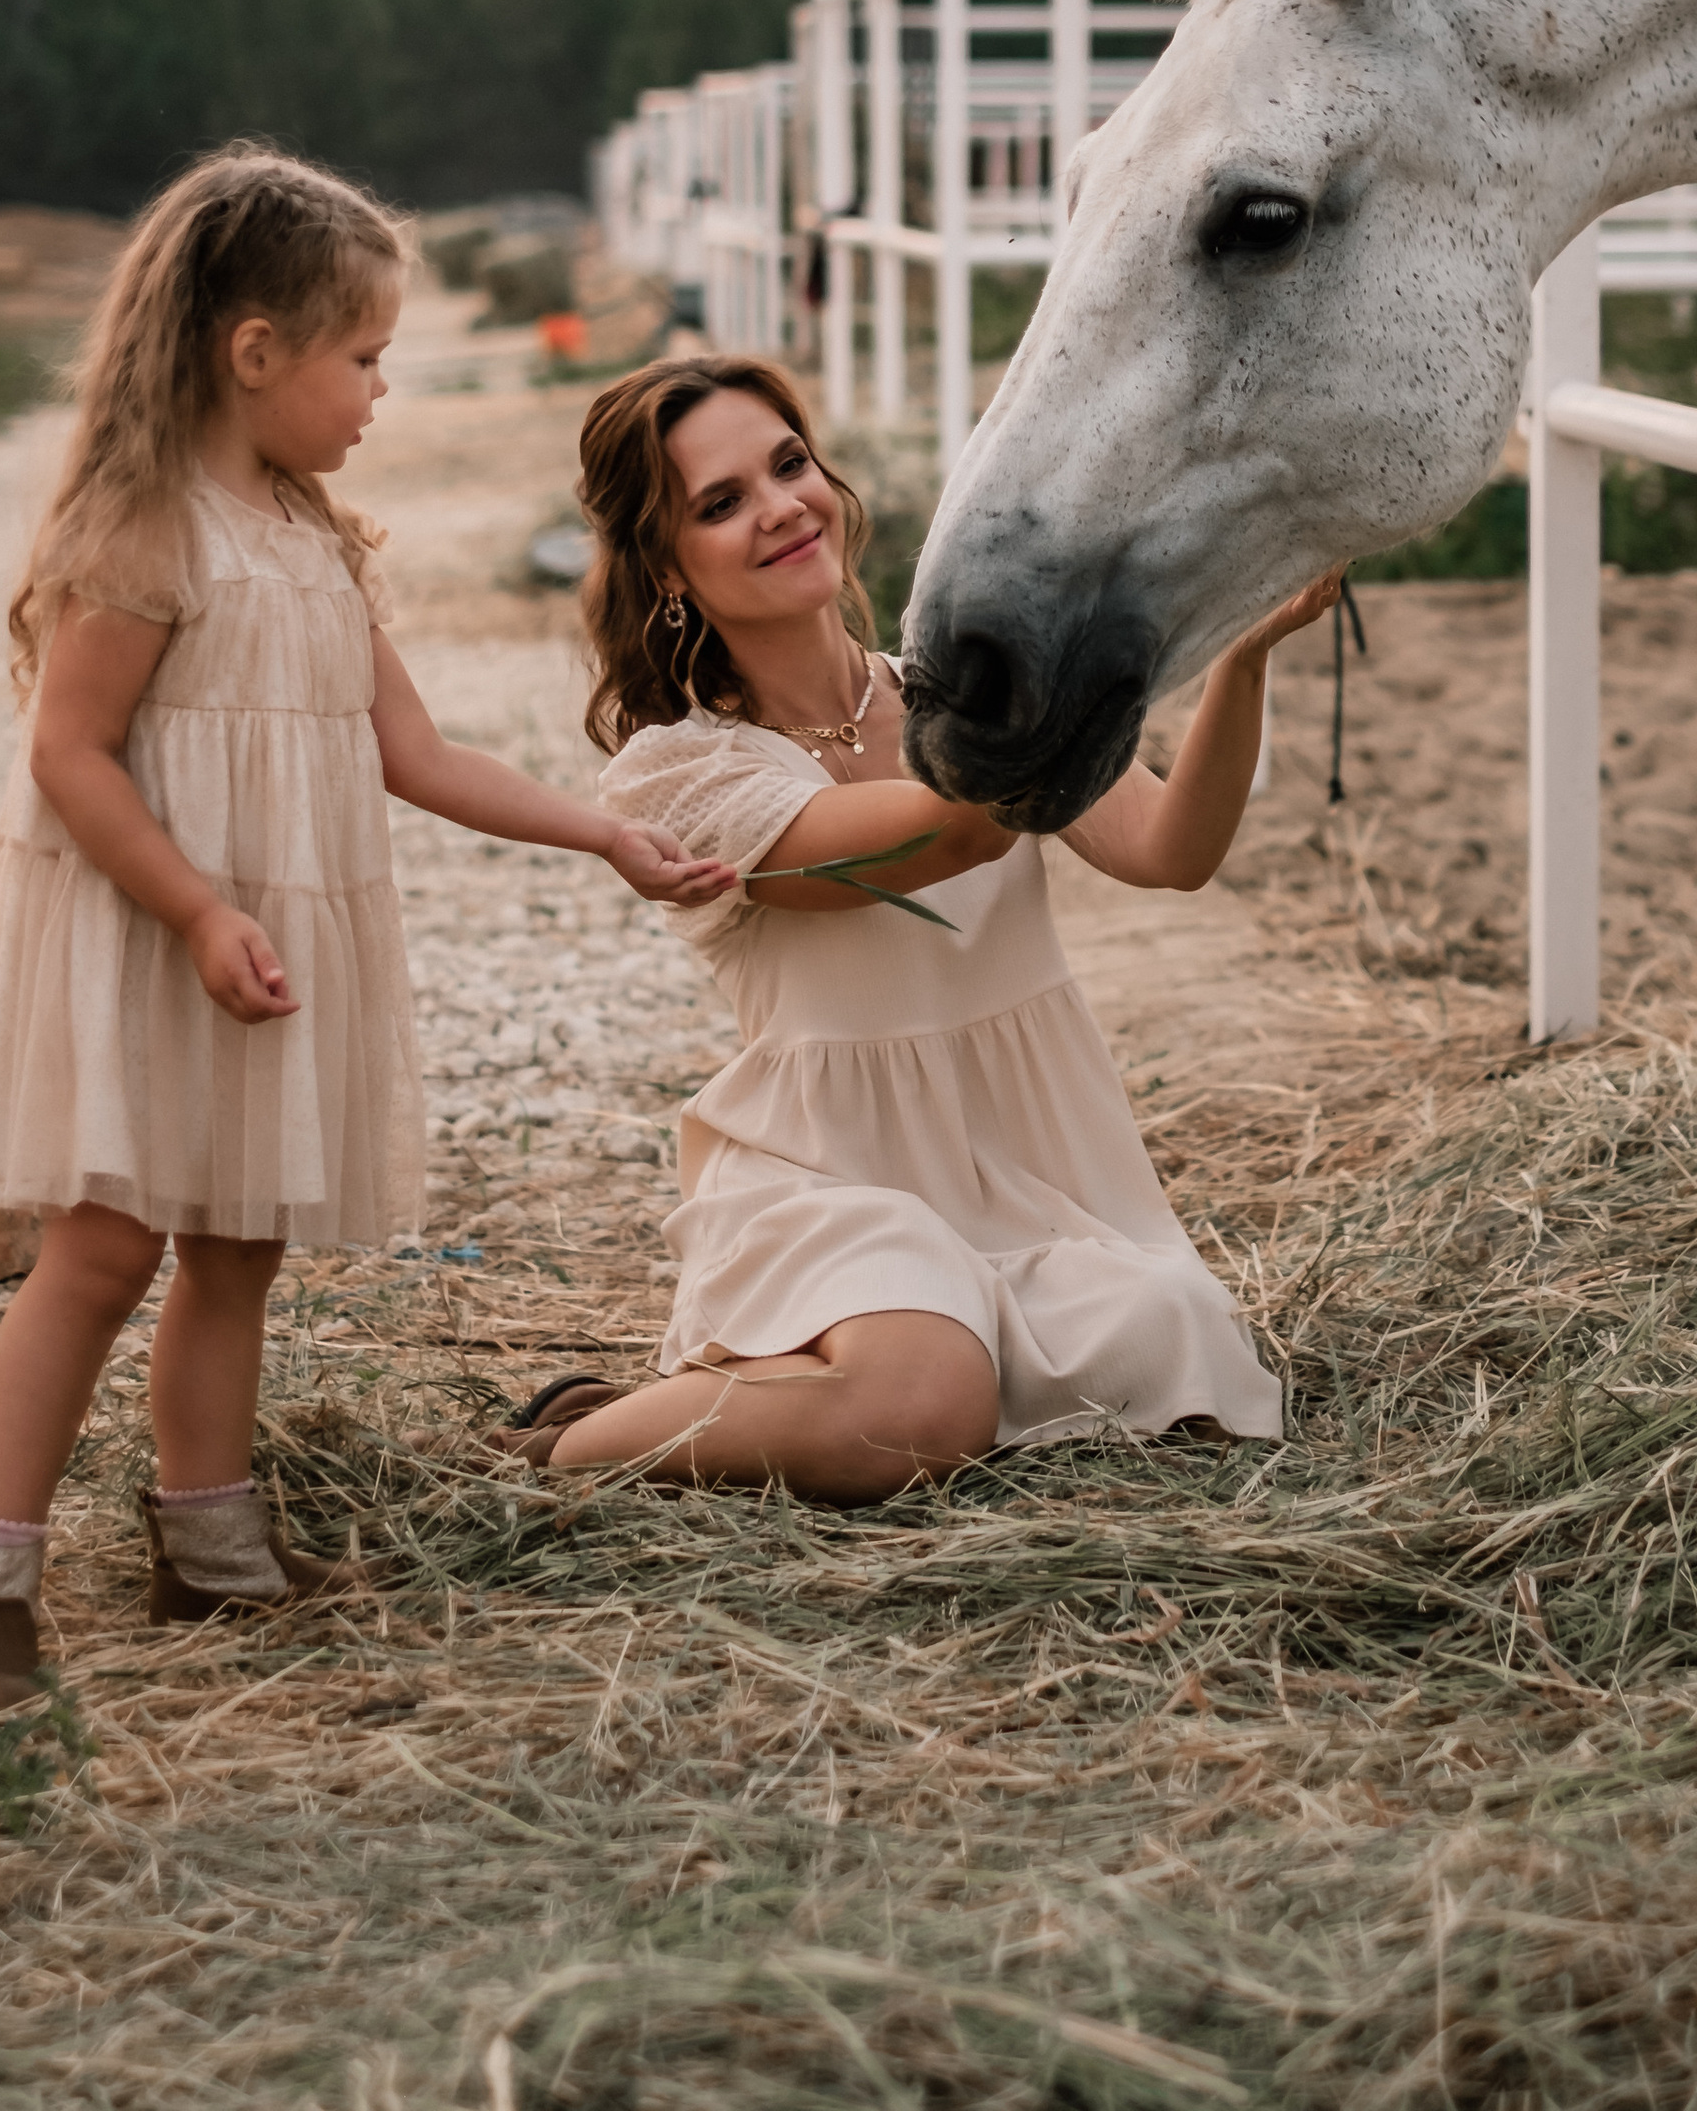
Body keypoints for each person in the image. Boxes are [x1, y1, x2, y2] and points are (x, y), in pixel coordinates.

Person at [0, 146, 738, 1718]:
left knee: (240, 1246)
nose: (379, 391)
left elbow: (414, 753)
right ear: (254, 352)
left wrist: (608, 832)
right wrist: (198, 907)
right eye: (362, 357)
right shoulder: (145, 530)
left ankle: (207, 1548)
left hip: (261, 946)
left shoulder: (310, 534)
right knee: (100, 1252)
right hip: (154, 931)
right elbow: (68, 755)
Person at [498, 352, 1340, 1498]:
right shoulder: (681, 776)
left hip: (1019, 1177)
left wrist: (1240, 649)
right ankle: (564, 1447)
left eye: (788, 464)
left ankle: (794, 1388)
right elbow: (944, 836)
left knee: (1174, 1327)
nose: (782, 507)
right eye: (721, 502)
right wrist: (1036, 660)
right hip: (823, 1185)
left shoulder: (952, 699)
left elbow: (1169, 854)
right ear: (668, 571)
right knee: (924, 1400)